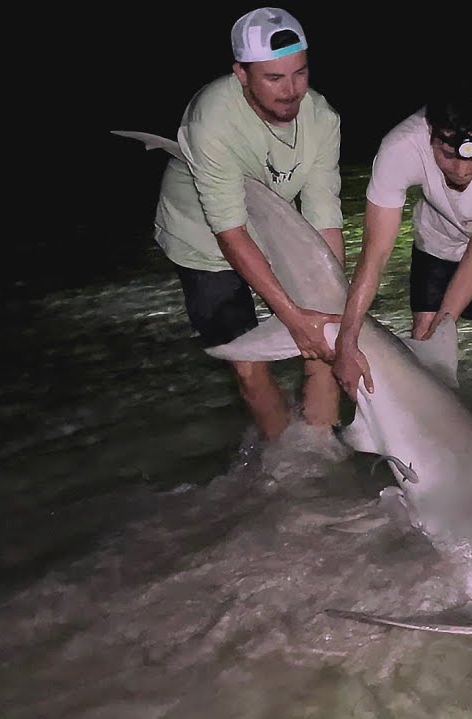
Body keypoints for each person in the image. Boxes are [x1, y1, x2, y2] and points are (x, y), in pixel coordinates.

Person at [151, 7, 344, 442]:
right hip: (204, 240)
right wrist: (292, 317)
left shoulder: (322, 120)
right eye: (274, 78)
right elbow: (229, 233)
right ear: (241, 74)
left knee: (325, 340)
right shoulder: (212, 119)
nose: (291, 91)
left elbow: (325, 221)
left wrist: (335, 307)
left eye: (300, 73)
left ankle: (322, 454)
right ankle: (287, 459)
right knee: (248, 367)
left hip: (271, 226)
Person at [332, 85, 472, 422]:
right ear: (430, 132)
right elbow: (375, 254)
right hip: (440, 227)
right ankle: (430, 430)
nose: (460, 171)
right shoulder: (400, 148)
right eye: (447, 155)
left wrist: (442, 333)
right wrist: (347, 339)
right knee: (422, 334)